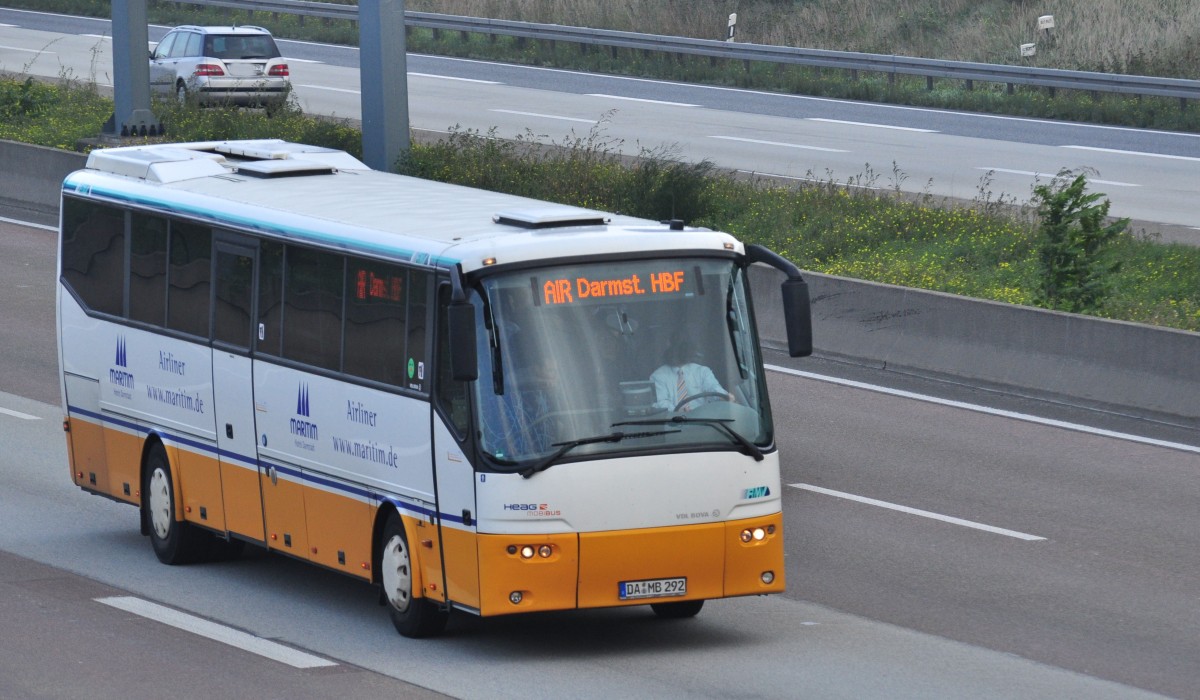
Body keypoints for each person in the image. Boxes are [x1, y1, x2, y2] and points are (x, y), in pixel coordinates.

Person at [650, 335, 732, 412]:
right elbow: (660, 402)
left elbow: (713, 387)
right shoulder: (657, 376)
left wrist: (724, 396)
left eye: (681, 350)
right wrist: (677, 411)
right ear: (668, 350)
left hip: (704, 422)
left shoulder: (702, 371)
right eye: (675, 350)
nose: (677, 353)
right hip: (673, 422)